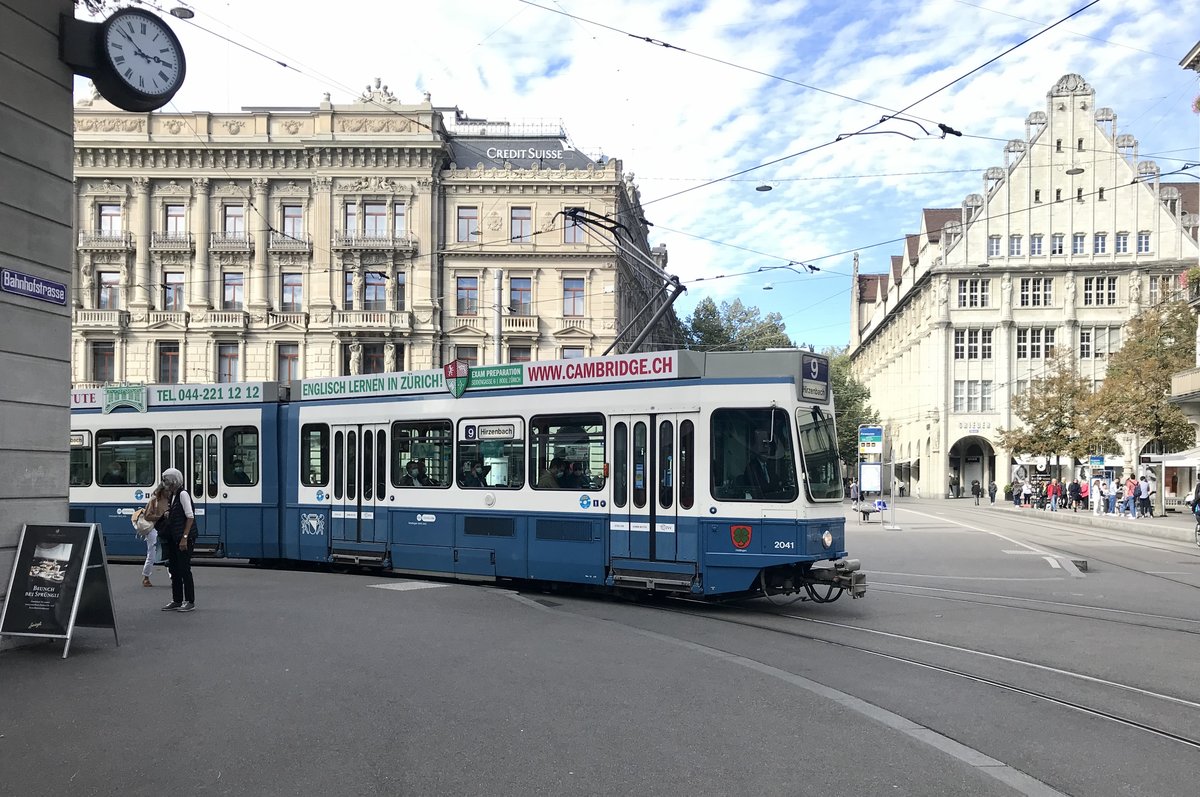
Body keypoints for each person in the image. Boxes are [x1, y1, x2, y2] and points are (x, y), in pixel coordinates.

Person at [157, 468, 196, 613]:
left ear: (174, 480)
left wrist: (184, 538)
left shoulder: (183, 494)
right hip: (174, 538)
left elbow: (190, 516)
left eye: (166, 480)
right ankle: (177, 599)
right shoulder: (173, 495)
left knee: (184, 569)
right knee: (174, 569)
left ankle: (189, 601)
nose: (164, 483)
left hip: (183, 538)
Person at [134, 482, 169, 588]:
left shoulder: (171, 500)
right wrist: (161, 517)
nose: (169, 492)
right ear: (162, 491)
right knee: (152, 554)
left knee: (169, 553)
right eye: (167, 490)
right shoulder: (154, 500)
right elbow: (147, 516)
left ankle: (173, 578)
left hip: (165, 528)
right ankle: (146, 577)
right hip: (153, 529)